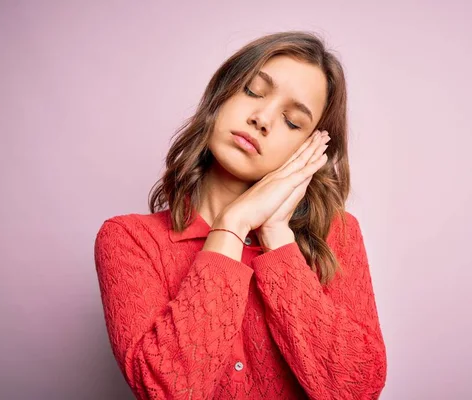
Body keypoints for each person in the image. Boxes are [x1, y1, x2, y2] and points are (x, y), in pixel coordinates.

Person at [94, 31, 387, 400]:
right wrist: (232, 226)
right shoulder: (129, 239)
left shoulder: (337, 234)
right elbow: (166, 390)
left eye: (293, 122)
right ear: (222, 94)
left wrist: (277, 234)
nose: (262, 118)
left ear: (308, 150)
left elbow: (357, 390)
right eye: (252, 91)